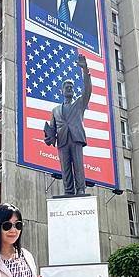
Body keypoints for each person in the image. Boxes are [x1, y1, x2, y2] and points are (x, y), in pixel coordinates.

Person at [44, 54, 91, 195]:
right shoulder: (56, 110)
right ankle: (69, 191)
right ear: (62, 91)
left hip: (76, 139)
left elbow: (87, 90)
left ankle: (81, 189)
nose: (69, 88)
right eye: (66, 87)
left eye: (71, 86)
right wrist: (49, 137)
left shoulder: (79, 103)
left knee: (78, 165)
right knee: (65, 168)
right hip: (63, 141)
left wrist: (85, 70)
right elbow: (52, 129)